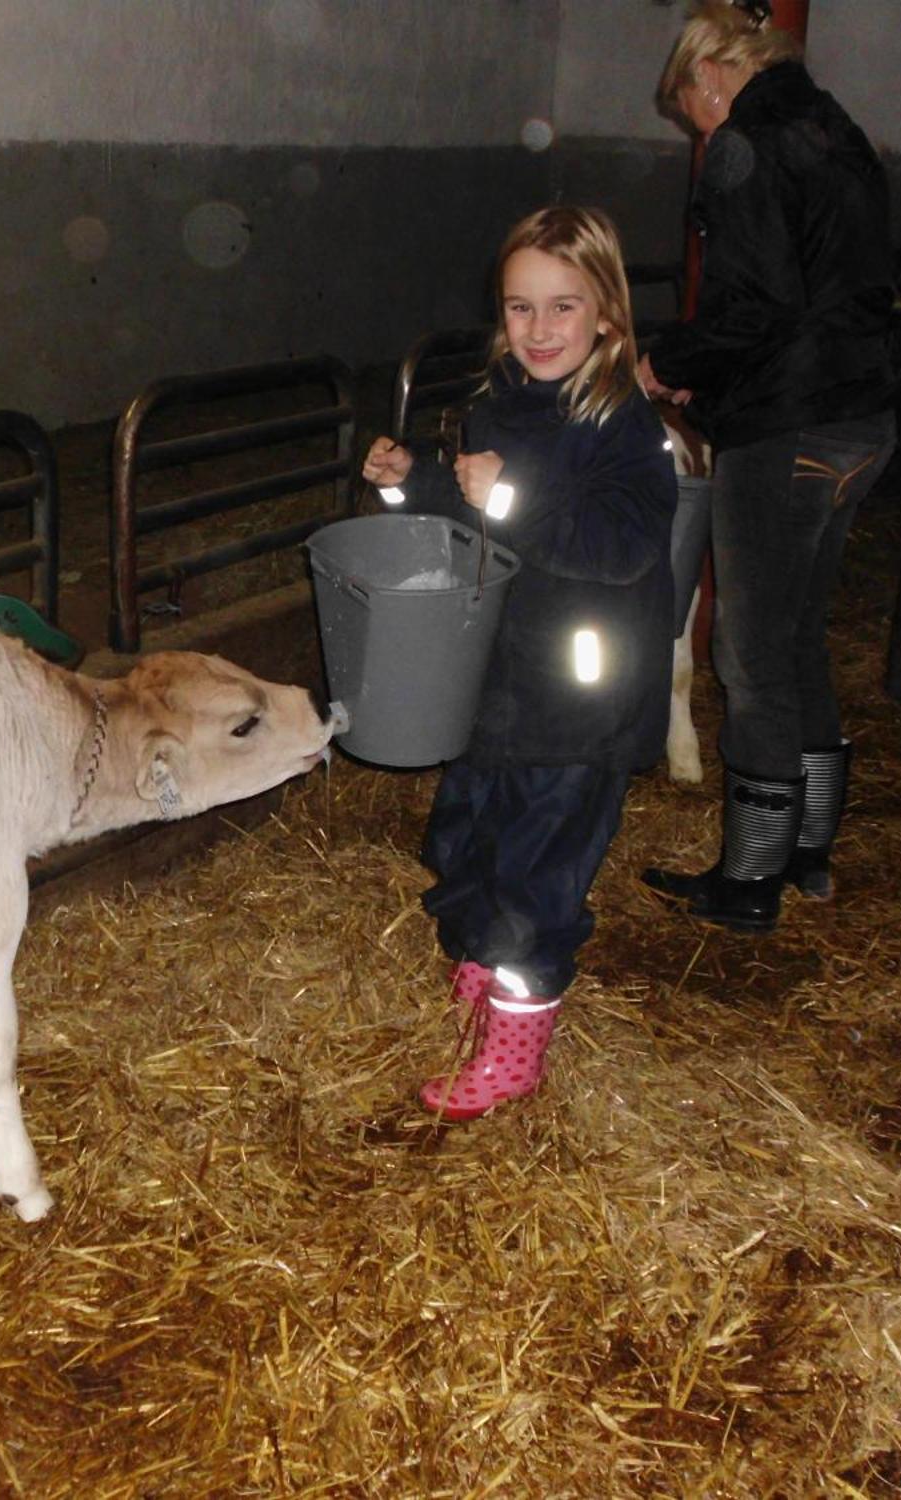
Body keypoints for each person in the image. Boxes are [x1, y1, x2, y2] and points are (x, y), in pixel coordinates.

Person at [361, 205, 677, 1120]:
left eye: (563, 308)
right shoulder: (498, 403)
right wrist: (404, 483)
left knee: (538, 868)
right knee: (471, 835)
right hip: (496, 678)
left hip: (579, 697)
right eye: (520, 308)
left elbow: (622, 544)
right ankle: (483, 972)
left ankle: (516, 1042)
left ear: (608, 315)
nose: (538, 331)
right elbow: (471, 508)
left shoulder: (625, 426)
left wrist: (517, 494)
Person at [637, 0, 898, 934]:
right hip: (864, 419)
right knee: (797, 638)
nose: (698, 131)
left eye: (690, 111)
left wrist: (669, 362)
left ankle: (748, 881)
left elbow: (753, 310)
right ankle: (810, 851)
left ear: (710, 78)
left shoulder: (747, 145)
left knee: (746, 651)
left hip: (789, 431)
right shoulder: (835, 129)